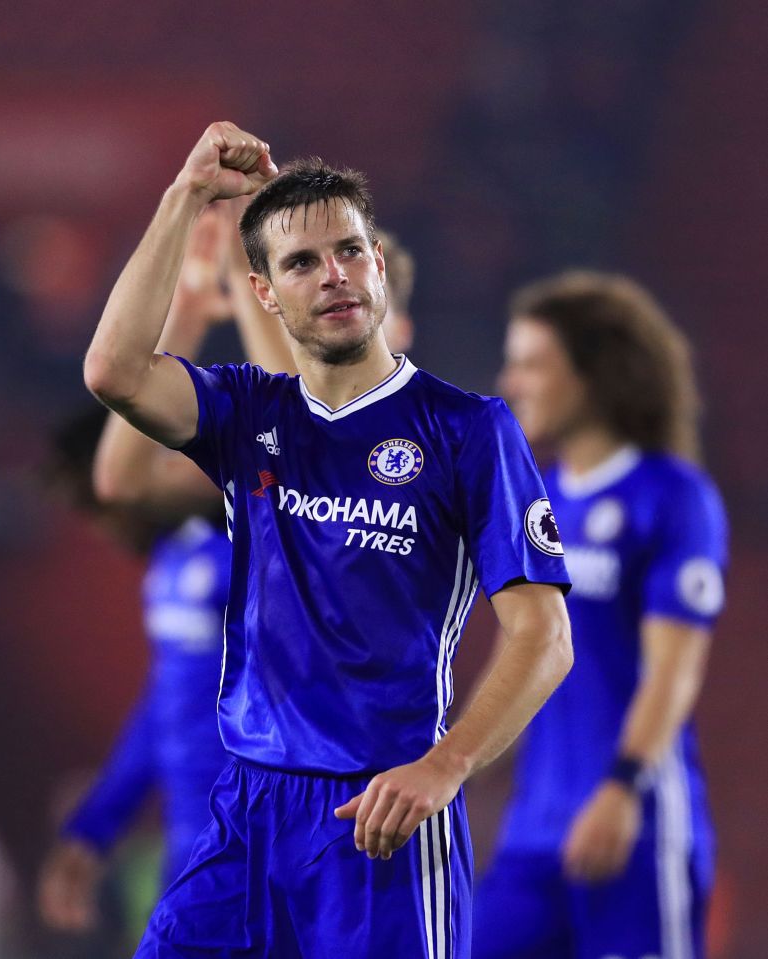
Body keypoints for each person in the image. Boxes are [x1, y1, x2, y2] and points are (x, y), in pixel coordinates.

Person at [83, 121, 573, 958]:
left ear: (379, 267)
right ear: (264, 295)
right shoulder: (250, 413)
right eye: (302, 262)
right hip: (246, 812)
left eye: (350, 250)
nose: (333, 273)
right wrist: (186, 196)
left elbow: (545, 634)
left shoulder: (467, 431)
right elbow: (114, 372)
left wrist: (445, 765)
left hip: (376, 821)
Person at [472, 271, 728, 959]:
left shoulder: (673, 497)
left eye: (531, 362)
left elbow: (673, 671)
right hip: (534, 832)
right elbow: (514, 657)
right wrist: (452, 765)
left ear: (593, 374)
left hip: (632, 826)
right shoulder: (536, 500)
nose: (511, 379)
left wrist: (621, 788)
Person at [38, 207, 235, 932]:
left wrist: (183, 314)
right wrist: (93, 829)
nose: (106, 519)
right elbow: (165, 708)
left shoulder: (259, 542)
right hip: (195, 851)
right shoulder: (175, 561)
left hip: (267, 841)